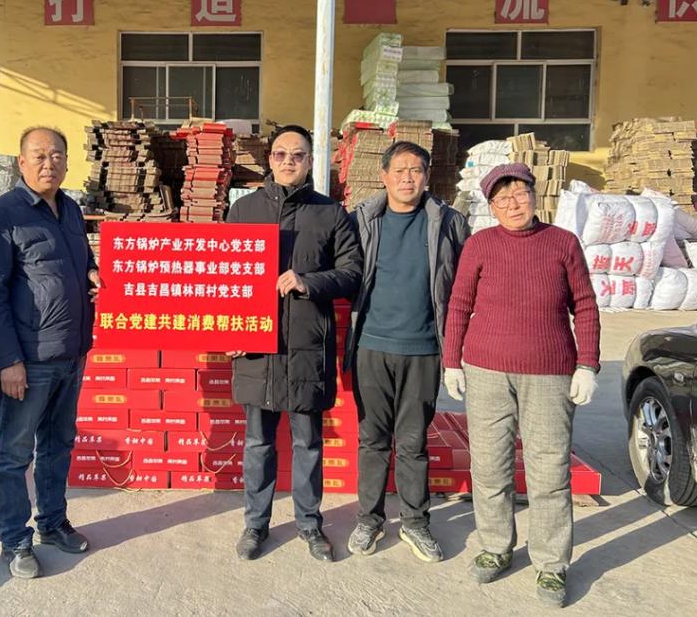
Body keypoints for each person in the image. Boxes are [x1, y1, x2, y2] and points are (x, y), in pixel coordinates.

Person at [442, 163, 599, 608]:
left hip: (549, 373)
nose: (513, 205)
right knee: (490, 466)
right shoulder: (480, 244)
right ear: (492, 206)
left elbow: (585, 306)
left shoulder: (562, 243)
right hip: (486, 370)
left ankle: (551, 564)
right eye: (502, 199)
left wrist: (587, 364)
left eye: (520, 194)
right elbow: (459, 305)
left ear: (535, 195)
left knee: (549, 470)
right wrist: (452, 362)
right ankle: (496, 547)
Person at [226, 124, 362, 562]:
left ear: (309, 161)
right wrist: (228, 331)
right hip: (257, 348)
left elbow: (352, 273)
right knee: (258, 443)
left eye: (298, 155)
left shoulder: (330, 213)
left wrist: (308, 282)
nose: (289, 161)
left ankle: (309, 524)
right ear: (269, 160)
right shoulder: (243, 210)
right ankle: (255, 525)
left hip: (307, 345)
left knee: (308, 443)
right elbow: (224, 277)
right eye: (281, 154)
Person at [0, 126, 102, 580]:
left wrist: (92, 273)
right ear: (22, 162)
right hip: (28, 358)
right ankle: (14, 540)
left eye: (57, 155)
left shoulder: (69, 208)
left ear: (67, 161)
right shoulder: (2, 214)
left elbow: (79, 259)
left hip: (72, 350)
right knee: (14, 453)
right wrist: (7, 360)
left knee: (58, 444)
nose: (49, 163)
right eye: (40, 155)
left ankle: (52, 522)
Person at [343, 141, 469, 561]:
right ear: (384, 176)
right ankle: (369, 519)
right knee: (372, 440)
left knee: (414, 441)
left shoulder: (448, 222)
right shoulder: (362, 220)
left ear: (427, 176)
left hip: (424, 349)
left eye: (416, 170)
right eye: (399, 170)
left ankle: (416, 522)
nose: (407, 178)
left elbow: (468, 284)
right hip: (371, 346)